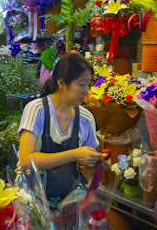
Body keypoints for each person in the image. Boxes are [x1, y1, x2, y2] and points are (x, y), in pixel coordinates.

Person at [18, 53, 106, 205]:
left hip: (67, 197)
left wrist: (99, 159)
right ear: (62, 83)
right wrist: (73, 155)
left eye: (88, 84)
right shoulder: (37, 110)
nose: (87, 90)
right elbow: (26, 160)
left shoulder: (85, 118)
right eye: (81, 84)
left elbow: (90, 161)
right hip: (31, 196)